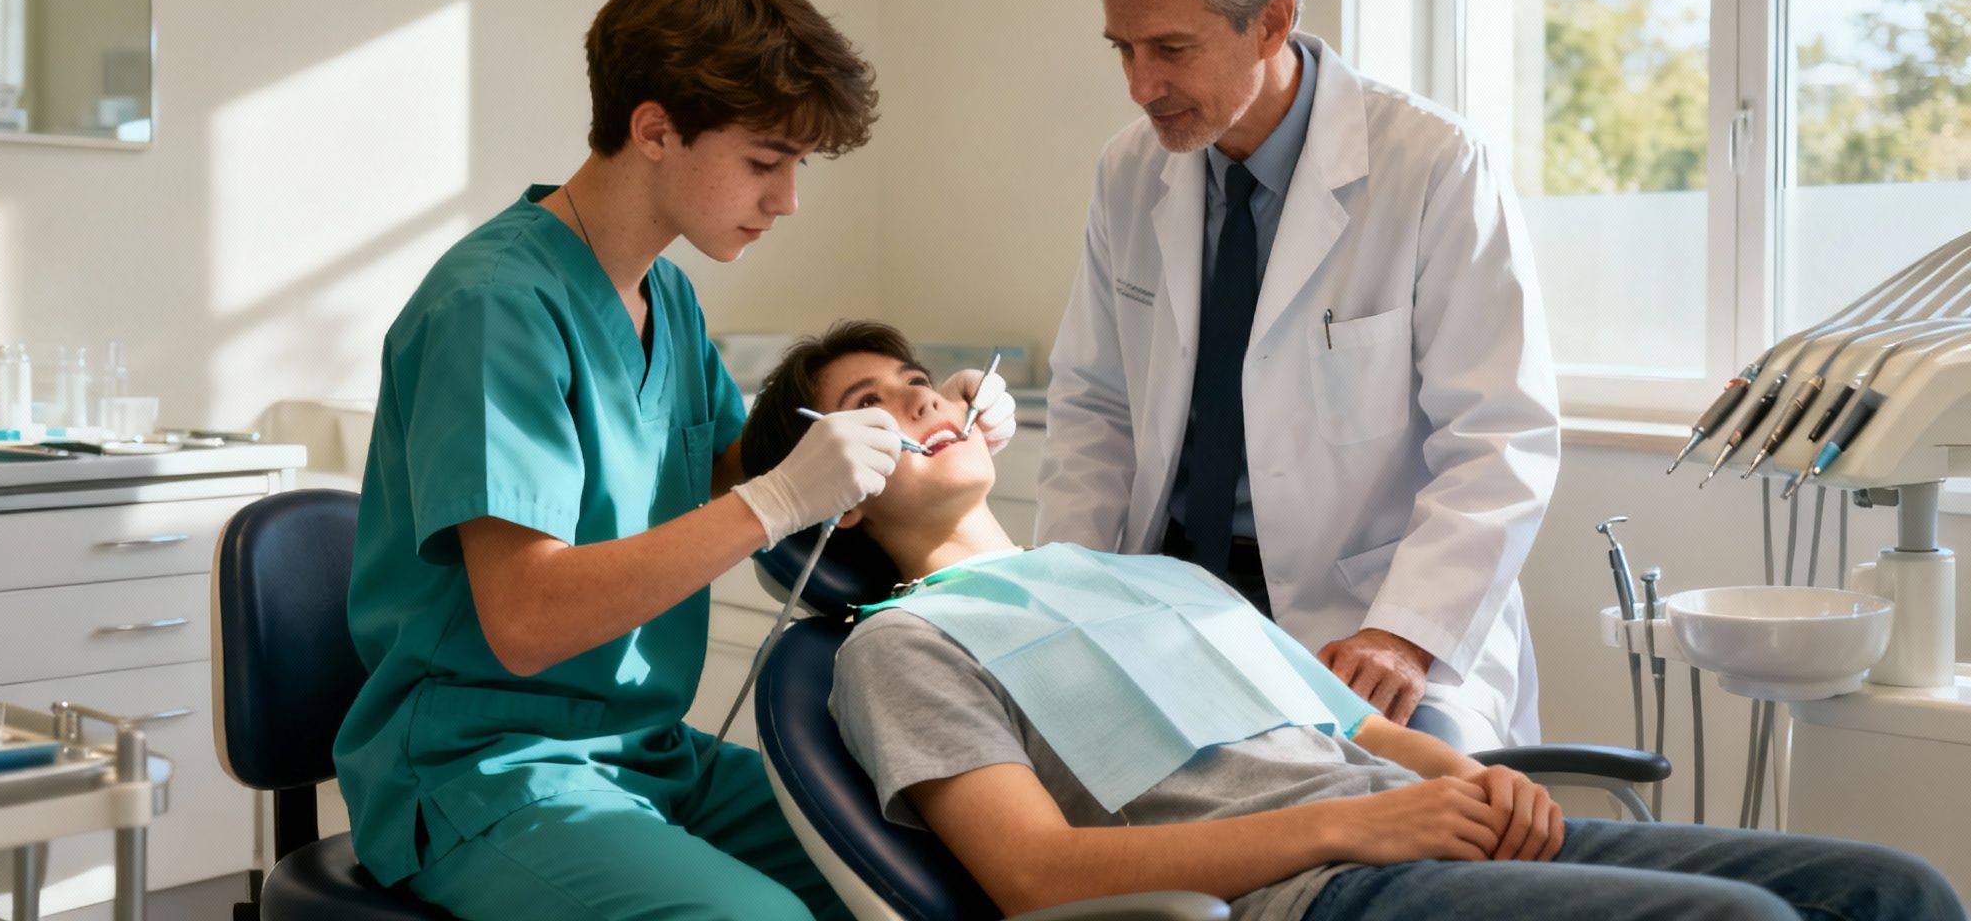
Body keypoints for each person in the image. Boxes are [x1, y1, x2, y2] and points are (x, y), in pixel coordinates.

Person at [738, 321, 1964, 921]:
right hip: (1309, 894)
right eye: (868, 407)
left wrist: (1475, 786)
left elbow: (1359, 733)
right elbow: (1033, 871)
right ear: (837, 494)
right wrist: (1366, 828)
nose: (917, 399)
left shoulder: (1142, 576)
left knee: (1891, 893)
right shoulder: (900, 645)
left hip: (1409, 835)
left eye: (915, 382)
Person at [331, 0, 1015, 921]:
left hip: (650, 754)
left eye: (797, 168)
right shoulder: (495, 308)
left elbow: (748, 467)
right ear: (655, 129)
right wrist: (775, 500)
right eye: (766, 161)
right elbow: (526, 623)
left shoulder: (669, 301)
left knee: (942, 875)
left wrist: (927, 420)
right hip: (485, 771)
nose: (786, 200)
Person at [1040, 0, 1558, 750]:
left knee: (1409, 815)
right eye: (1121, 49)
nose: (1139, 84)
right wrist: (1061, 604)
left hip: (1364, 617)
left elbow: (1498, 435)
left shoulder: (1434, 165)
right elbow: (1096, 407)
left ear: (1271, 21)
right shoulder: (1130, 171)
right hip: (1166, 604)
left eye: (1169, 47)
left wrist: (1406, 632)